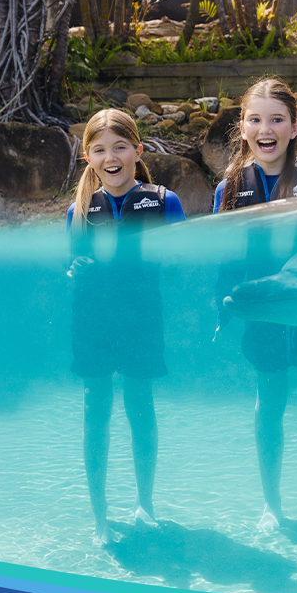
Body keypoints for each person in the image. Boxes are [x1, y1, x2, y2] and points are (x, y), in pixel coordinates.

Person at [214, 76, 297, 533]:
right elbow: (225, 262)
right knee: (268, 400)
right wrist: (223, 308)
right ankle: (271, 504)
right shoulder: (230, 189)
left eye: (277, 119)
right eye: (255, 119)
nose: (265, 128)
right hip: (264, 313)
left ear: (294, 128)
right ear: (243, 126)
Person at [67, 108, 186, 546]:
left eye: (120, 147)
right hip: (92, 322)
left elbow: (179, 258)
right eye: (99, 149)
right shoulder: (79, 209)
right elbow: (73, 263)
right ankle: (100, 516)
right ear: (88, 157)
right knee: (95, 411)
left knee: (141, 408)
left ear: (137, 151)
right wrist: (74, 268)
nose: (110, 157)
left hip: (141, 321)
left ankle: (145, 505)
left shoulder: (164, 201)